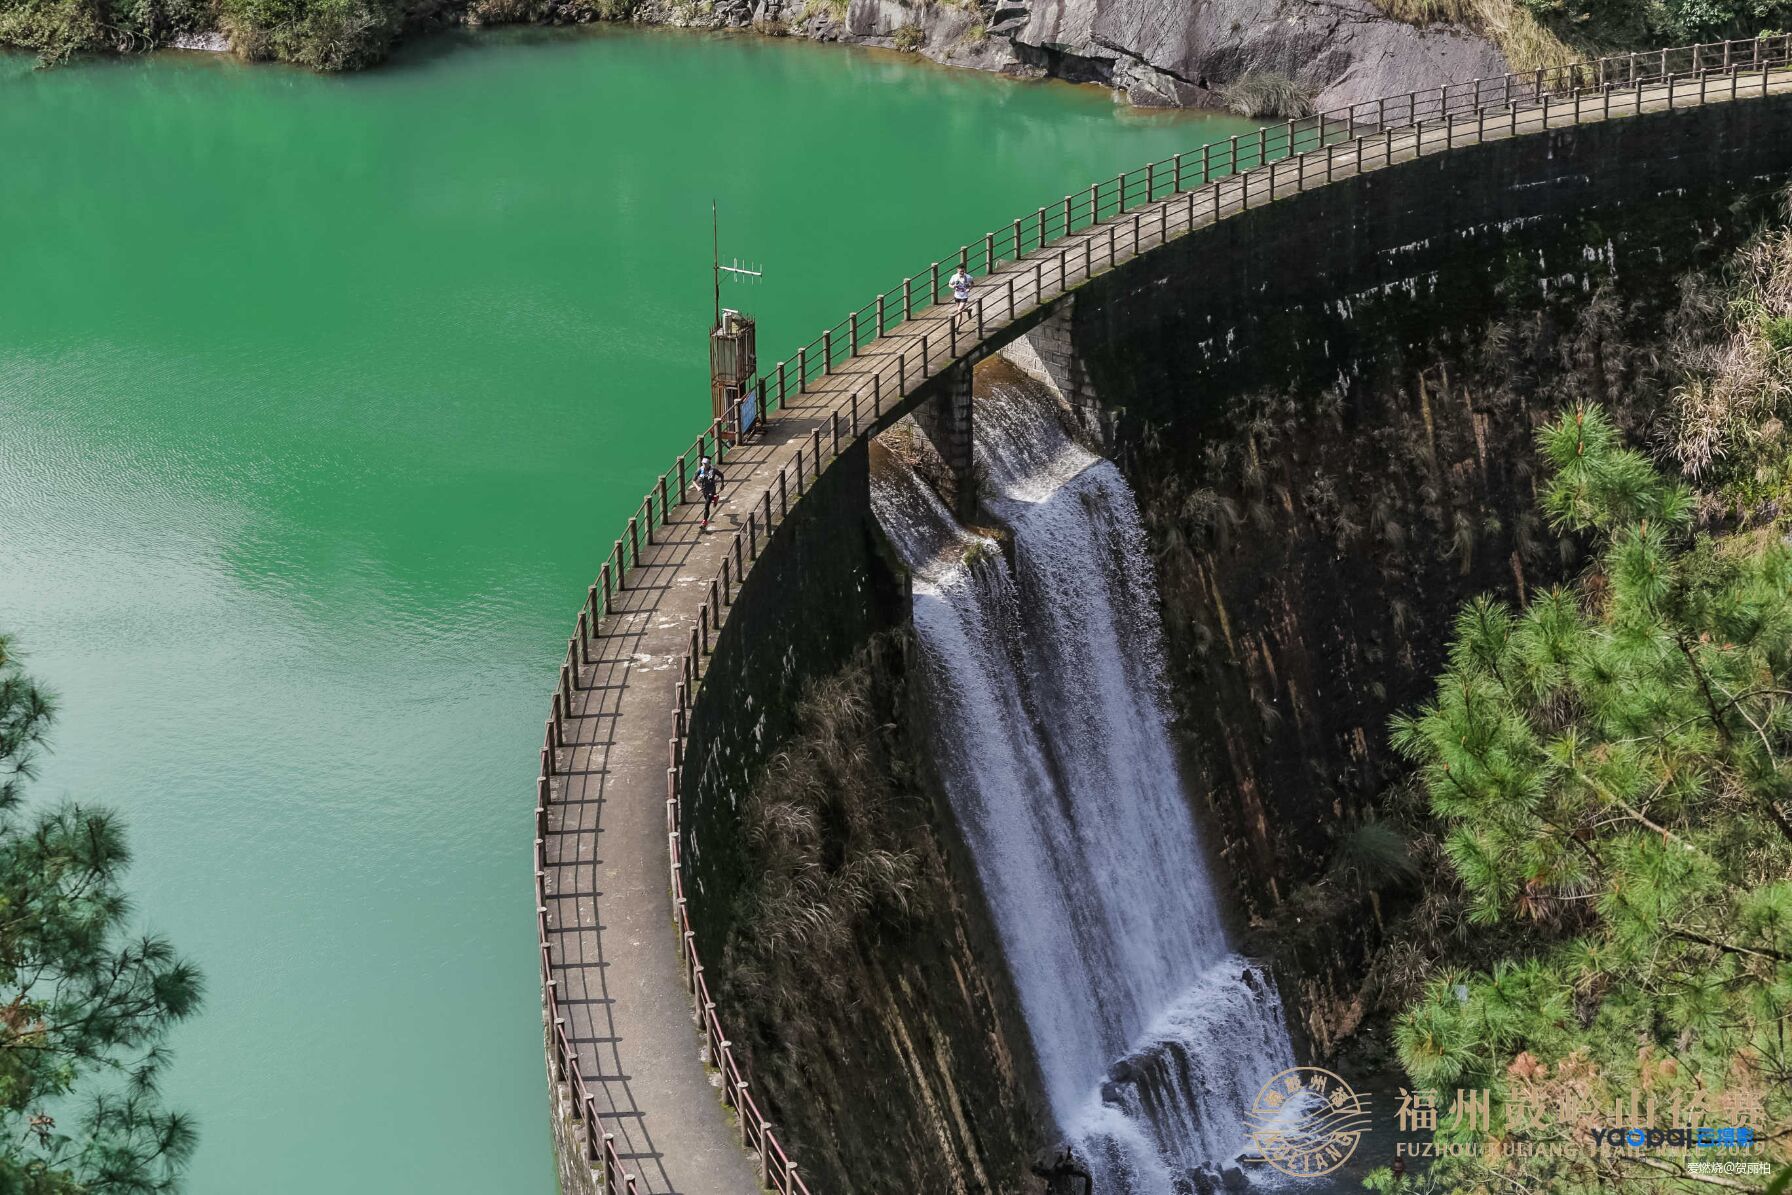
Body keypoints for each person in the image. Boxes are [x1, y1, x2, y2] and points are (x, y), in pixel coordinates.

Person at [696, 456, 724, 528]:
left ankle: (704, 521)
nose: (704, 465)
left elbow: (721, 475)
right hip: (704, 490)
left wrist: (722, 484)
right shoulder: (700, 470)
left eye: (705, 464)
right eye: (703, 463)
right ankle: (715, 498)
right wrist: (697, 487)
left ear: (709, 464)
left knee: (706, 506)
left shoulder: (713, 470)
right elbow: (693, 480)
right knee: (708, 501)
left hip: (711, 489)